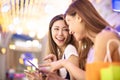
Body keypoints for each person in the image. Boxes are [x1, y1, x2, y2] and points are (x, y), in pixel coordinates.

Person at [39, 0, 120, 80]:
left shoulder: (103, 37)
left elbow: (93, 78)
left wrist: (64, 63)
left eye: (69, 22)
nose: (70, 31)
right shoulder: (96, 42)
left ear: (79, 17)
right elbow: (93, 77)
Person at [25, 14, 79, 80]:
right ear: (50, 31)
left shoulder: (70, 49)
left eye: (65, 30)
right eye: (56, 29)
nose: (60, 34)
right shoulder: (61, 53)